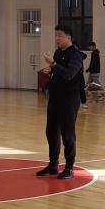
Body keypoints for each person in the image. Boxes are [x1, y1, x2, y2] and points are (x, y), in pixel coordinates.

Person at [37, 23, 84, 178]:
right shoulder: (58, 53)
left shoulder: (76, 55)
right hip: (55, 97)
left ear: (68, 37)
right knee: (51, 132)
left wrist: (53, 64)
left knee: (67, 134)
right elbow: (58, 71)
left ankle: (69, 167)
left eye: (60, 35)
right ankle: (53, 164)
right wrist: (50, 70)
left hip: (69, 99)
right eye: (55, 35)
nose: (56, 38)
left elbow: (69, 74)